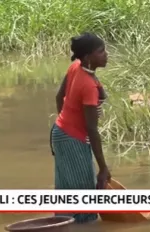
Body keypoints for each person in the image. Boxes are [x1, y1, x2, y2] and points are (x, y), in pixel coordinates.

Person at [50, 32, 111, 223]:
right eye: (100, 51)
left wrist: (66, 121)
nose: (106, 54)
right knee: (85, 205)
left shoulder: (76, 67)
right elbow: (92, 130)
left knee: (66, 198)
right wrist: (103, 168)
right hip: (72, 140)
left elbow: (59, 97)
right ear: (87, 57)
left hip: (60, 134)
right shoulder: (88, 86)